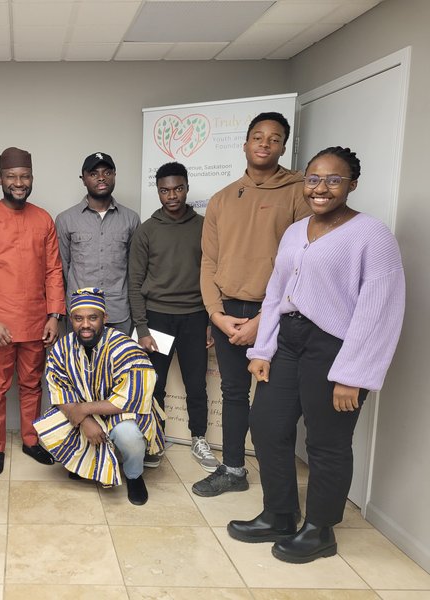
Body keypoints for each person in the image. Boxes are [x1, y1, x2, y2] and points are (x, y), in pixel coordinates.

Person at [228, 147, 405, 563]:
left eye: (333, 180)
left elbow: (379, 308)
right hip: (288, 341)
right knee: (267, 426)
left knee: (328, 442)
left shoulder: (372, 235)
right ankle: (280, 513)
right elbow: (276, 293)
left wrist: (353, 375)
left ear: (352, 184)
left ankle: (320, 529)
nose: (320, 188)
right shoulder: (295, 231)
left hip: (335, 347)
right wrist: (263, 348)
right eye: (313, 179)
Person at [195, 112, 312, 497]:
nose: (264, 143)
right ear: (245, 144)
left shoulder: (298, 193)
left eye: (274, 138)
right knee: (232, 392)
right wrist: (216, 315)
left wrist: (265, 319)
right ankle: (233, 469)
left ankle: (278, 488)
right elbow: (209, 261)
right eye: (257, 137)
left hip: (278, 312)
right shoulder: (223, 198)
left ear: (282, 147)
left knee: (273, 400)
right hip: (228, 310)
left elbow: (304, 264)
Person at [0, 147, 66, 476]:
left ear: (32, 179)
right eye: (12, 177)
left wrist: (54, 315)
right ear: (0, 179)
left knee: (32, 385)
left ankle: (30, 439)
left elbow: (53, 271)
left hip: (36, 321)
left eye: (24, 177)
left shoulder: (43, 218)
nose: (18, 183)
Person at [34, 288, 165, 505]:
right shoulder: (62, 348)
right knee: (51, 427)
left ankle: (134, 475)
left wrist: (84, 410)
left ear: (105, 318)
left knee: (129, 437)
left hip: (121, 412)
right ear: (71, 320)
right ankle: (90, 466)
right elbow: (58, 389)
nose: (85, 324)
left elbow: (131, 398)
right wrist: (85, 421)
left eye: (92, 318)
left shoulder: (124, 346)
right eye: (78, 318)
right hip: (84, 412)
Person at [128, 162, 218, 472]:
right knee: (155, 384)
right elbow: (135, 283)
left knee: (196, 384)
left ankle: (198, 438)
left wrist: (209, 321)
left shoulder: (205, 226)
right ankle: (155, 438)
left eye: (178, 188)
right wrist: (142, 328)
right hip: (158, 319)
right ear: (158, 191)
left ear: (187, 188)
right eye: (165, 190)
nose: (172, 196)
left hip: (194, 318)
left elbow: (212, 276)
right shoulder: (147, 230)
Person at [55, 152, 140, 335]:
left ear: (114, 175)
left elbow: (134, 271)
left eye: (107, 172)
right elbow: (62, 268)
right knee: (79, 364)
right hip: (80, 314)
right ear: (83, 179)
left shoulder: (131, 219)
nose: (101, 178)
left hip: (119, 314)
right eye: (94, 174)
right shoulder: (65, 219)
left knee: (119, 364)